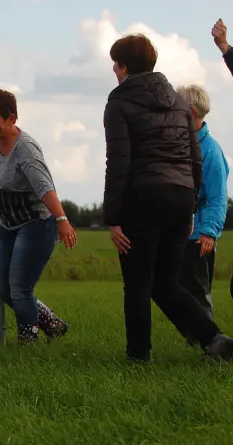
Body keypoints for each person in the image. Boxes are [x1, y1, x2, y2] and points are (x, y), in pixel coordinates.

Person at [102, 33, 233, 363]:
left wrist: (113, 217)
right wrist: (190, 203)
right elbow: (194, 156)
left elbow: (118, 161)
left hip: (142, 199)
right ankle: (214, 339)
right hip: (180, 197)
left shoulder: (119, 102)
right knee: (165, 281)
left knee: (137, 282)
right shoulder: (177, 101)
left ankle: (138, 357)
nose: (114, 71)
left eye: (116, 64)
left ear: (125, 66)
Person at [0, 88, 74, 345]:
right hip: (8, 223)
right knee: (4, 289)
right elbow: (10, 183)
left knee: (20, 288)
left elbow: (44, 188)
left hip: (36, 224)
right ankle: (51, 323)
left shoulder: (26, 150)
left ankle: (27, 343)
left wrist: (62, 221)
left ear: (11, 119)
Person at [174, 84, 229, 324]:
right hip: (178, 233)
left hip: (199, 237)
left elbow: (218, 197)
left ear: (192, 112)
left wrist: (209, 232)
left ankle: (210, 343)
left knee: (198, 292)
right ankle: (195, 340)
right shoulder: (180, 142)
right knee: (179, 289)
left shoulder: (211, 151)